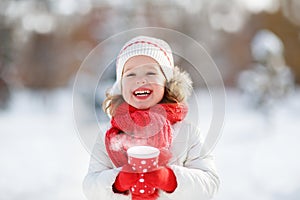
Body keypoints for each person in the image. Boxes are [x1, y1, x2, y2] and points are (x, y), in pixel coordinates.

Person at [83, 36, 219, 200]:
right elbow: (90, 188)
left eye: (150, 72)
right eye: (130, 74)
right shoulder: (110, 136)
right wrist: (118, 181)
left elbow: (210, 184)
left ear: (166, 83)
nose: (140, 79)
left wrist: (169, 179)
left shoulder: (187, 132)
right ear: (120, 85)